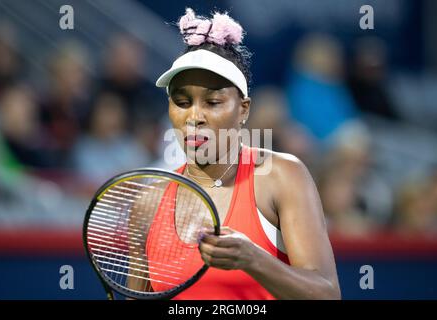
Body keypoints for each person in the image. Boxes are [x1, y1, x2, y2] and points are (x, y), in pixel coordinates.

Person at [140, 8, 341, 300]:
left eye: (212, 102)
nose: (194, 116)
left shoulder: (282, 176)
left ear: (243, 109)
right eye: (182, 102)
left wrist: (254, 260)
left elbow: (328, 295)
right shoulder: (149, 203)